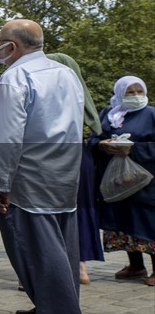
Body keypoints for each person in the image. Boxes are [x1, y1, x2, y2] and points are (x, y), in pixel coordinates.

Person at [0, 19, 87, 314]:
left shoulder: (14, 79)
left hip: (29, 176)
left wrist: (0, 182)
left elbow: (6, 138)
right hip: (64, 170)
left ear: (12, 47)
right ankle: (54, 305)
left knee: (38, 247)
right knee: (63, 246)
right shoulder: (66, 73)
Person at [48, 53, 104, 284]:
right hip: (79, 157)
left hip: (55, 159)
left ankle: (67, 266)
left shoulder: (54, 95)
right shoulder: (78, 94)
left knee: (52, 214)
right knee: (75, 212)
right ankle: (77, 264)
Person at [94, 76, 155, 286]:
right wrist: (102, 144)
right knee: (124, 221)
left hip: (145, 180)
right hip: (117, 179)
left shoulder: (151, 114)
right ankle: (136, 266)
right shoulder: (109, 114)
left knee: (148, 222)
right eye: (130, 92)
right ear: (120, 93)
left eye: (139, 91)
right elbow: (95, 136)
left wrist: (134, 149)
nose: (136, 96)